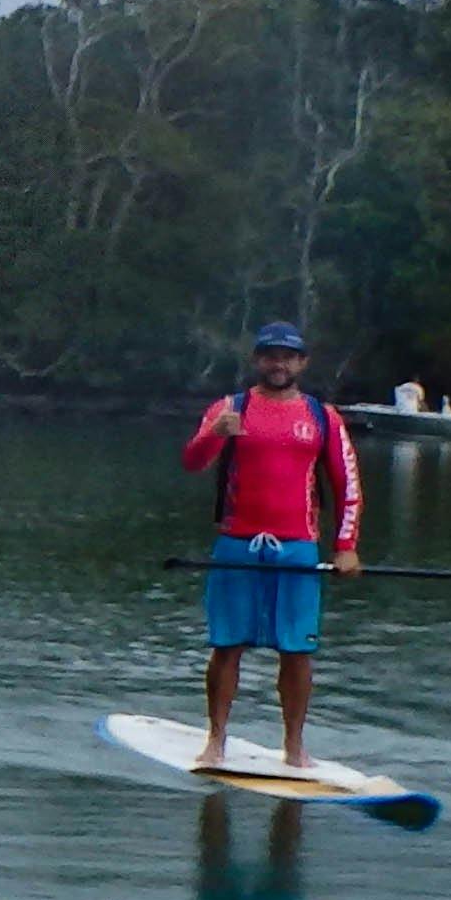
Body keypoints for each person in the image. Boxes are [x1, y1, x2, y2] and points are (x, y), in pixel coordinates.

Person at [181, 320, 362, 773]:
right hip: (237, 543)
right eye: (269, 354)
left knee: (297, 651)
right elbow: (192, 462)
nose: (278, 363)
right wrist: (215, 435)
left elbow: (348, 486)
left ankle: (295, 748)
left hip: (297, 546)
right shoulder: (230, 408)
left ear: (301, 362)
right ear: (257, 360)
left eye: (287, 356)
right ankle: (215, 741)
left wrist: (345, 545)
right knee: (227, 645)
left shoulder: (322, 417)